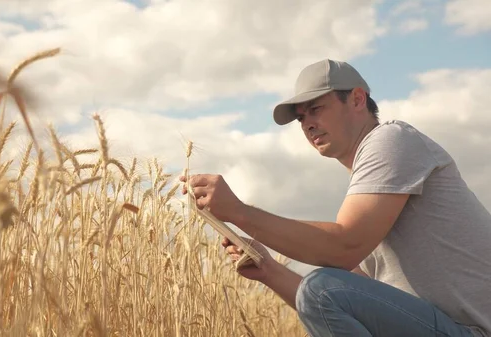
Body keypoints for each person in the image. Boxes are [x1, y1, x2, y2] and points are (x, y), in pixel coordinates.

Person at [180, 59, 491, 337]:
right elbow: (340, 301)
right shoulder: (370, 189)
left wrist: (238, 212)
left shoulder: (392, 139)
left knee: (320, 286)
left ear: (357, 99)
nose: (308, 124)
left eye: (316, 109)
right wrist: (270, 271)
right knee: (319, 289)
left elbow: (343, 248)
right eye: (301, 118)